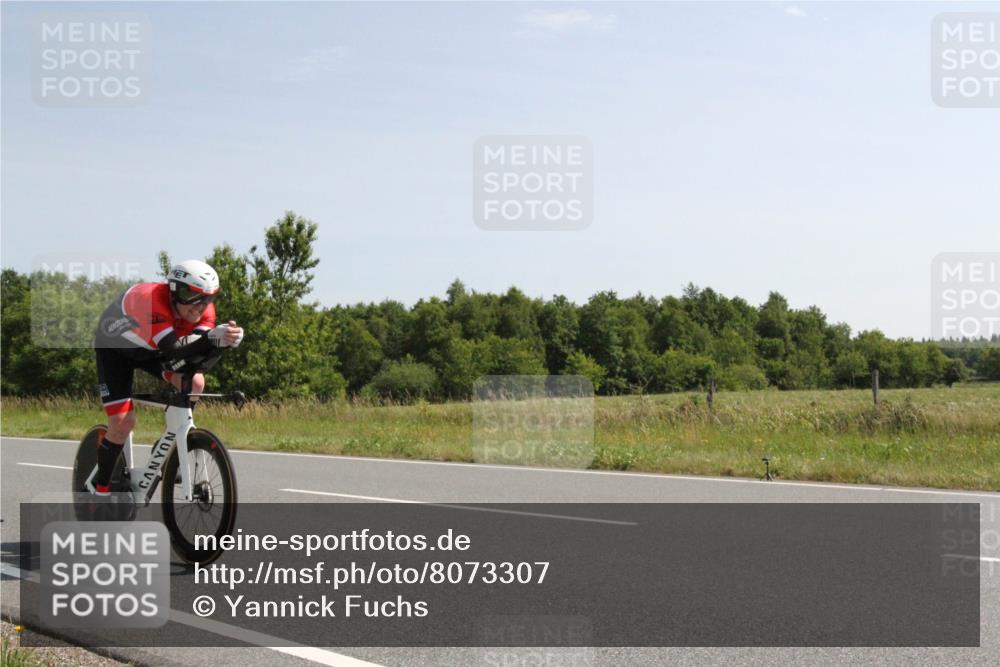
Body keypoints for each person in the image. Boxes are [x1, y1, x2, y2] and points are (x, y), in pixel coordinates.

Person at [91, 259, 244, 495]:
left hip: (153, 349)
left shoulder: (204, 310)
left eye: (207, 298)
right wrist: (210, 338)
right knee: (122, 424)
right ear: (174, 290)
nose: (199, 306)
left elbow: (196, 355)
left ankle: (169, 446)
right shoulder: (151, 300)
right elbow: (174, 350)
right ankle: (100, 491)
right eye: (191, 296)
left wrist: (225, 342)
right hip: (116, 349)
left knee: (195, 382)